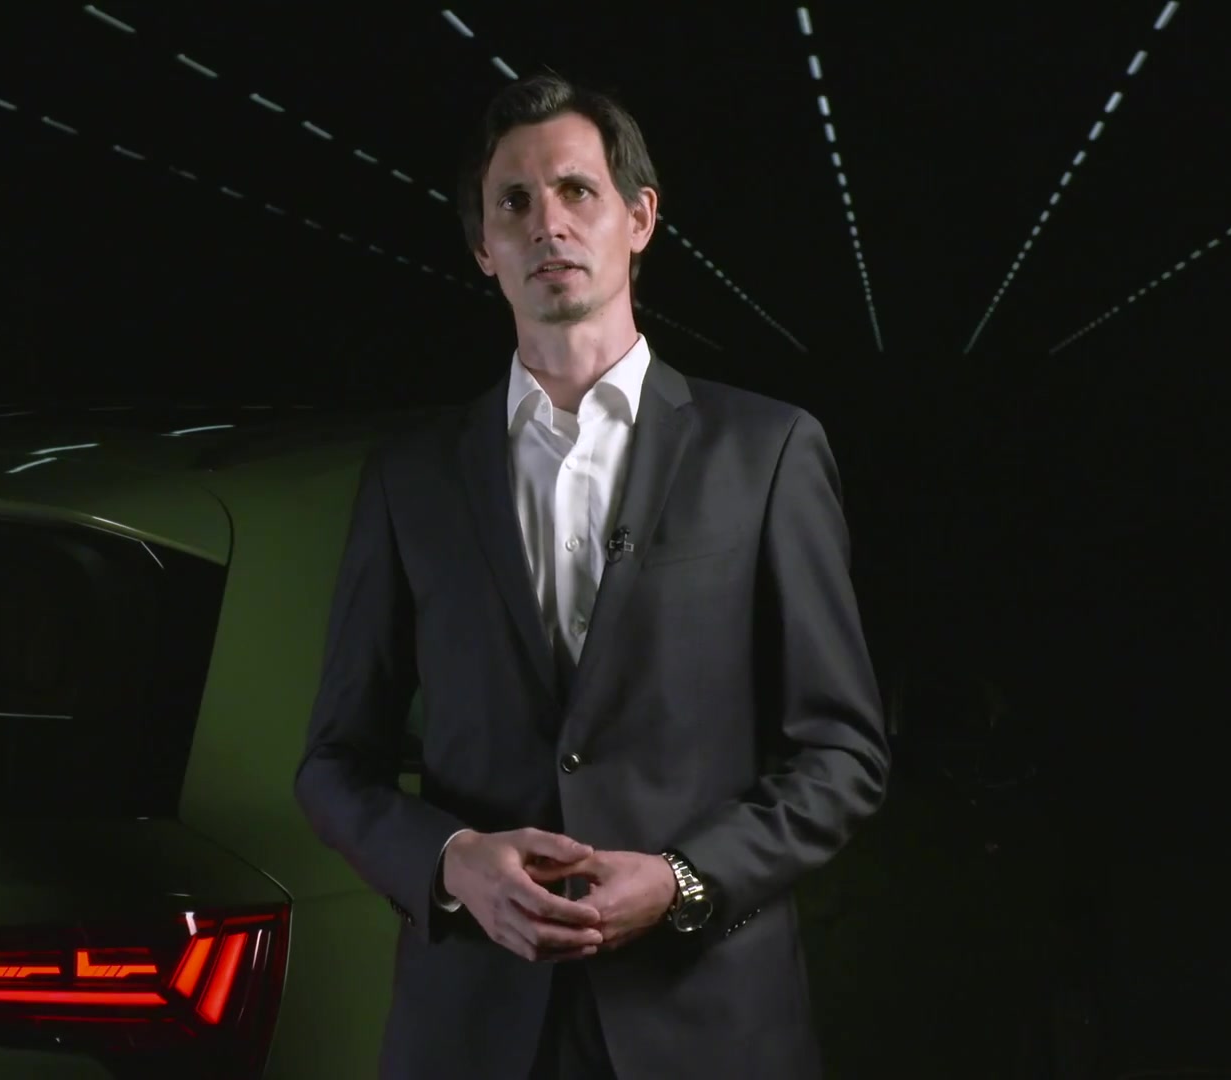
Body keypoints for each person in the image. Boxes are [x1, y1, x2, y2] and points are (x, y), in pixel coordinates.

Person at [293, 72, 892, 1080]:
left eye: (577, 191)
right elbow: (332, 764)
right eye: (513, 203)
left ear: (639, 219)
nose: (548, 224)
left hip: (705, 1023)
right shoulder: (412, 478)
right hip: (474, 1030)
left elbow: (841, 751)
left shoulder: (769, 452)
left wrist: (681, 879)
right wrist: (449, 864)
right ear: (483, 248)